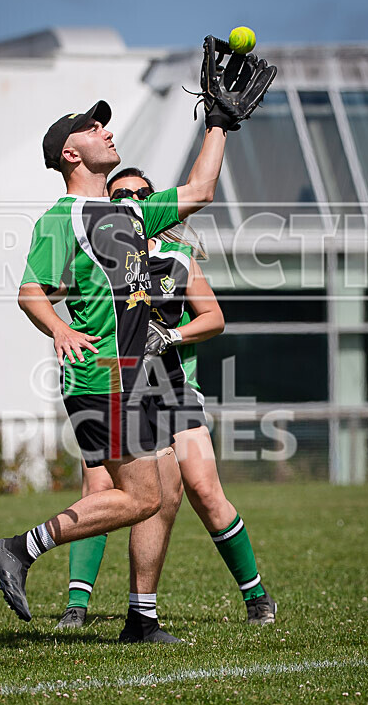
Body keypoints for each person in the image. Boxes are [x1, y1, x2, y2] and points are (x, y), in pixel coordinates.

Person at [0, 98, 231, 638]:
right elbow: (30, 292)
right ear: (72, 153)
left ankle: (141, 618)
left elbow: (201, 190)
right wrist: (62, 329)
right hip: (102, 374)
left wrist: (218, 122)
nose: (107, 130)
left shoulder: (132, 213)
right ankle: (19, 549)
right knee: (140, 496)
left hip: (140, 378)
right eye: (93, 128)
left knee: (163, 493)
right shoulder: (61, 218)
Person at [56, 168, 277, 633]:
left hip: (173, 387)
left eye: (142, 194)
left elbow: (214, 318)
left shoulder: (179, 256)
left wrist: (171, 334)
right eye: (122, 195)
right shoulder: (100, 253)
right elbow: (55, 296)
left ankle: (256, 595)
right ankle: (77, 606)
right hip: (115, 381)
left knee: (202, 488)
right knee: (100, 488)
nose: (134, 200)